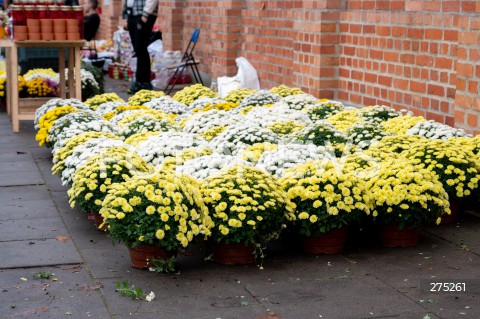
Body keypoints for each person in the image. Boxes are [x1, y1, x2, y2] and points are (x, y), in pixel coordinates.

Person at [124, 0, 158, 94]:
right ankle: (141, 82)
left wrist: (145, 14)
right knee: (138, 50)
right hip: (132, 14)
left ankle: (143, 82)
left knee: (140, 48)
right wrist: (126, 16)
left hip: (143, 15)